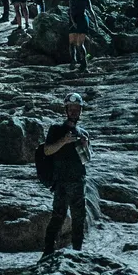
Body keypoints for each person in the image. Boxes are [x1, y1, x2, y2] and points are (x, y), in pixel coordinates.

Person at [41, 93, 90, 255]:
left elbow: (86, 159)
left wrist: (85, 146)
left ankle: (77, 252)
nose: (74, 111)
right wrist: (63, 141)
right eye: (71, 108)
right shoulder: (56, 129)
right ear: (66, 110)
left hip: (78, 180)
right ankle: (47, 252)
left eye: (77, 109)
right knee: (58, 216)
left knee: (79, 218)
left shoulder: (82, 132)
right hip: (61, 181)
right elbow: (47, 151)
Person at [67, 0, 96, 70]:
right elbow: (91, 11)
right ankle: (81, 62)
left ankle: (77, 61)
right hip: (83, 19)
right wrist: (95, 22)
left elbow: (71, 10)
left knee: (74, 43)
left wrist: (73, 22)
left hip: (76, 19)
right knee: (79, 43)